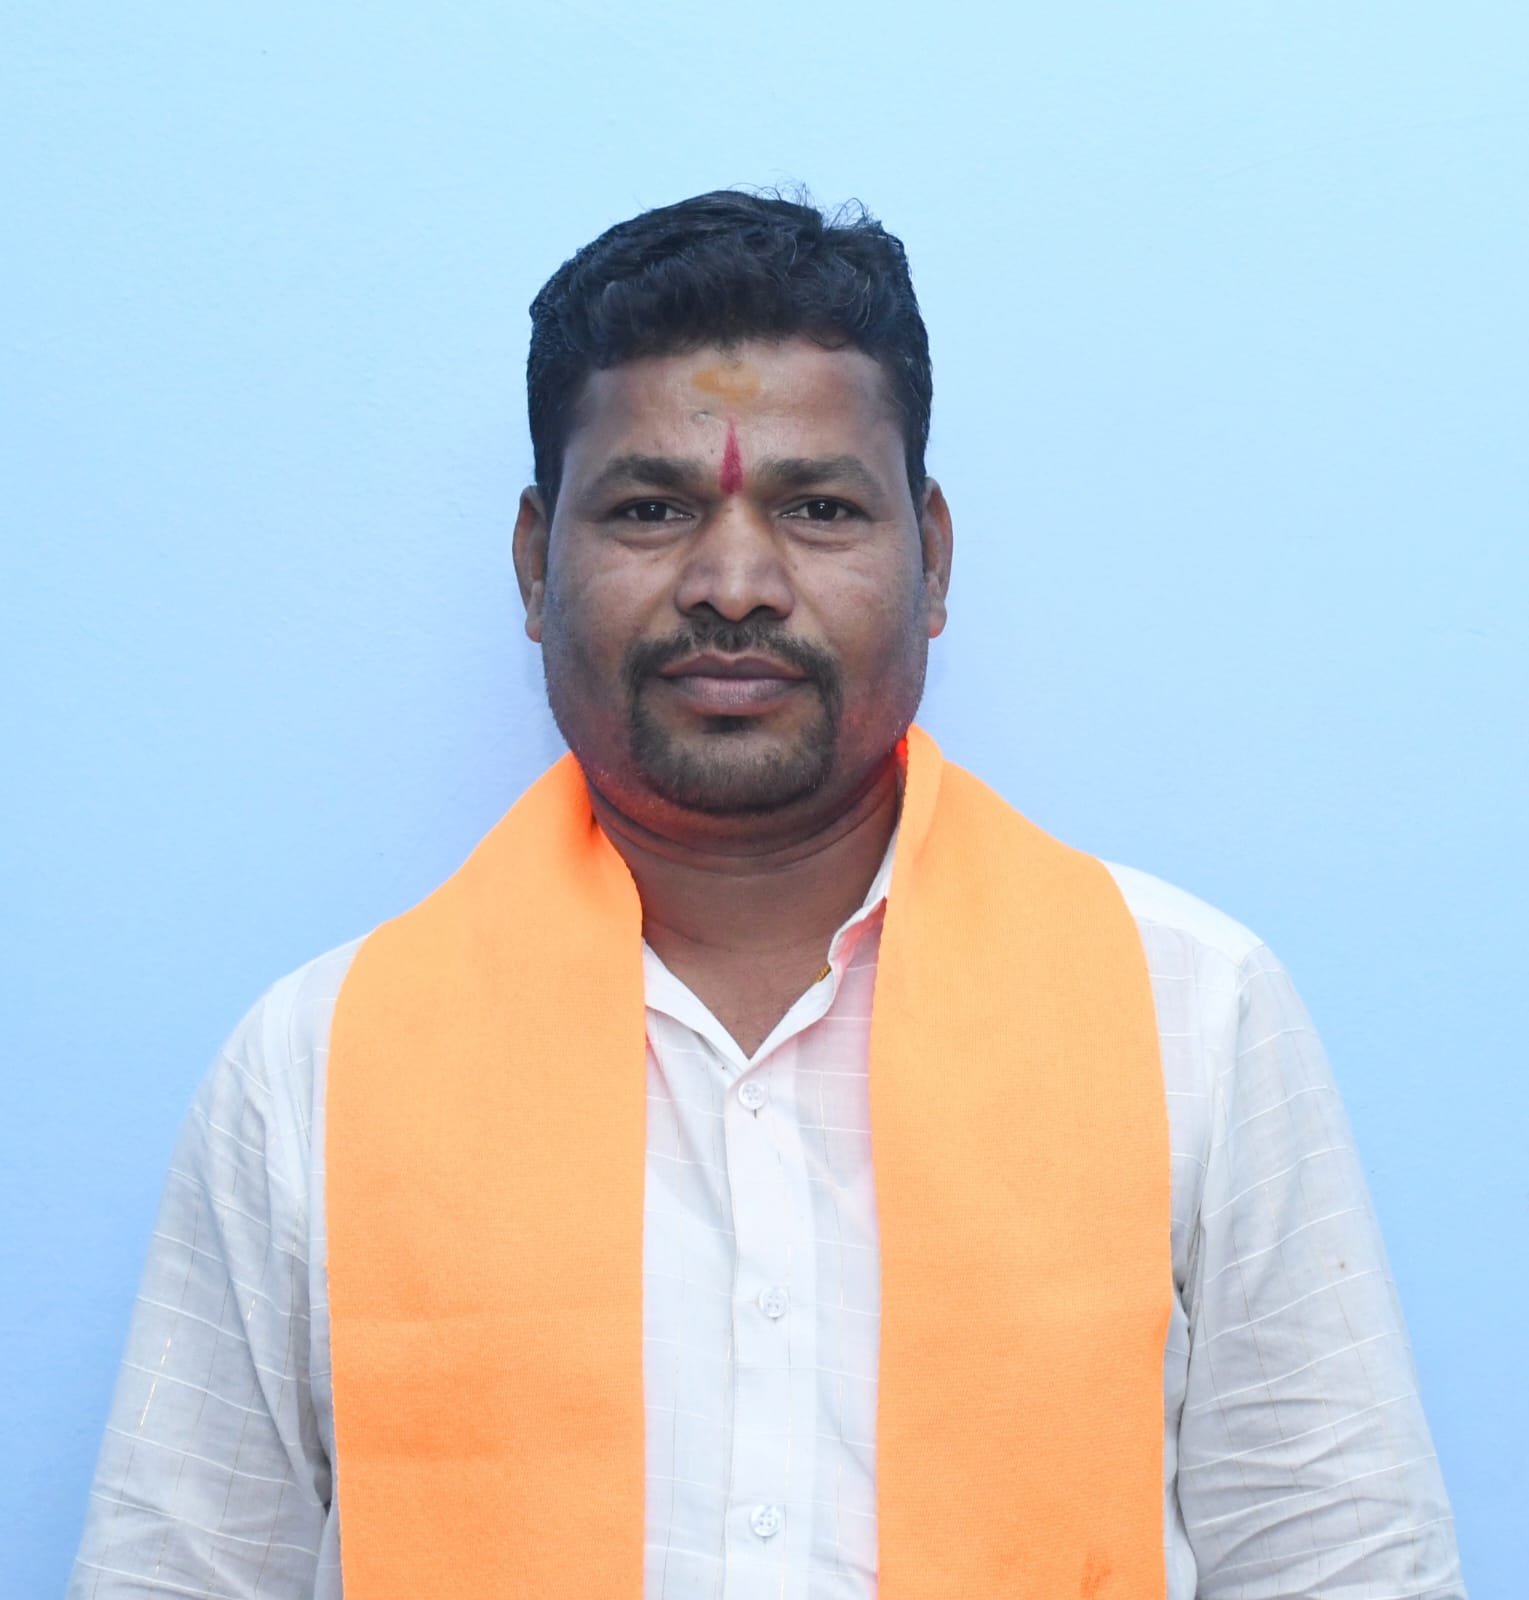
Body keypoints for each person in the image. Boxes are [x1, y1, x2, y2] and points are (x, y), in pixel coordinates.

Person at [70, 190, 1465, 1599]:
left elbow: (1344, 1568)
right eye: (650, 508)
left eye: (817, 508)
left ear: (932, 561)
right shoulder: (317, 1067)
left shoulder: (1191, 1018)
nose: (734, 584)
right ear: (534, 566)